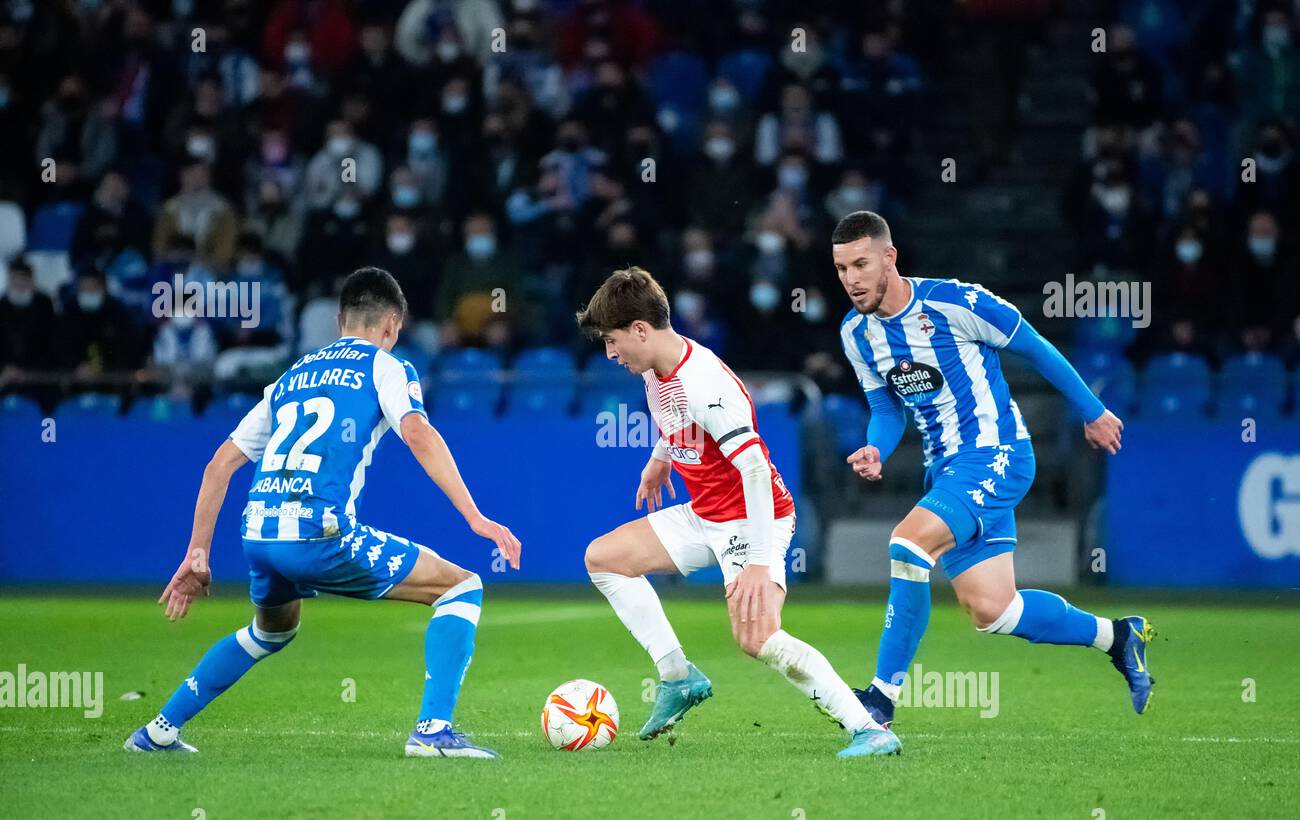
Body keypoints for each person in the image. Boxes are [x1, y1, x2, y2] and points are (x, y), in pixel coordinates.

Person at [125, 267, 521, 759]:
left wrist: (198, 553)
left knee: (270, 631)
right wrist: (475, 517)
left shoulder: (290, 378)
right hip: (318, 534)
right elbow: (418, 433)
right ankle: (433, 732)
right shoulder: (386, 366)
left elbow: (217, 467)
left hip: (259, 536)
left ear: (339, 322)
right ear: (393, 326)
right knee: (461, 586)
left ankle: (158, 731)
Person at [830, 211, 1156, 752]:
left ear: (891, 257)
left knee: (908, 545)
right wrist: (875, 446)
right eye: (841, 268)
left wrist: (1092, 411)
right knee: (993, 609)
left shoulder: (955, 303)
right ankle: (1119, 636)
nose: (851, 279)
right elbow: (886, 409)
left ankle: (880, 702)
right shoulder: (856, 335)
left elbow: (1035, 347)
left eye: (861, 263)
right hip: (947, 470)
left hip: (996, 454)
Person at [578, 267, 899, 759]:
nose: (610, 353)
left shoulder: (704, 383)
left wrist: (754, 561)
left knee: (758, 638)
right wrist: (659, 460)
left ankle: (869, 729)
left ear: (641, 329)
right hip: (706, 512)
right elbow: (674, 420)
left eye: (612, 340)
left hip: (757, 518)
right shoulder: (652, 369)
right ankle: (679, 678)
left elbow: (752, 469)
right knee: (603, 558)